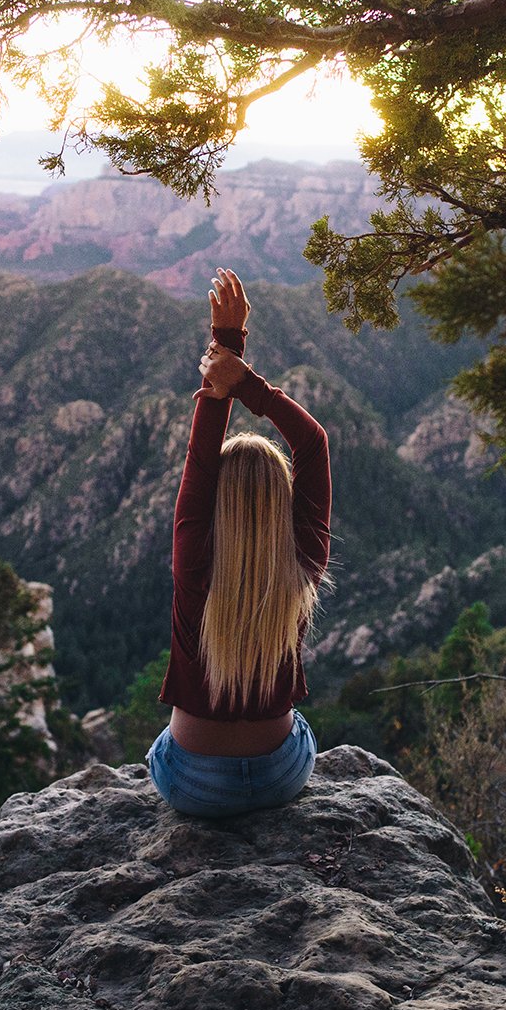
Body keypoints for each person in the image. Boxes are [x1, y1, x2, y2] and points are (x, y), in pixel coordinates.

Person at [146, 267, 332, 817]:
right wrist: (244, 377)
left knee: (159, 748)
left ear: (214, 506)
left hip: (192, 783)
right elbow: (312, 443)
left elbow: (200, 460)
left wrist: (225, 351)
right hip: (280, 776)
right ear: (283, 503)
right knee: (301, 729)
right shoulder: (302, 560)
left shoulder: (194, 558)